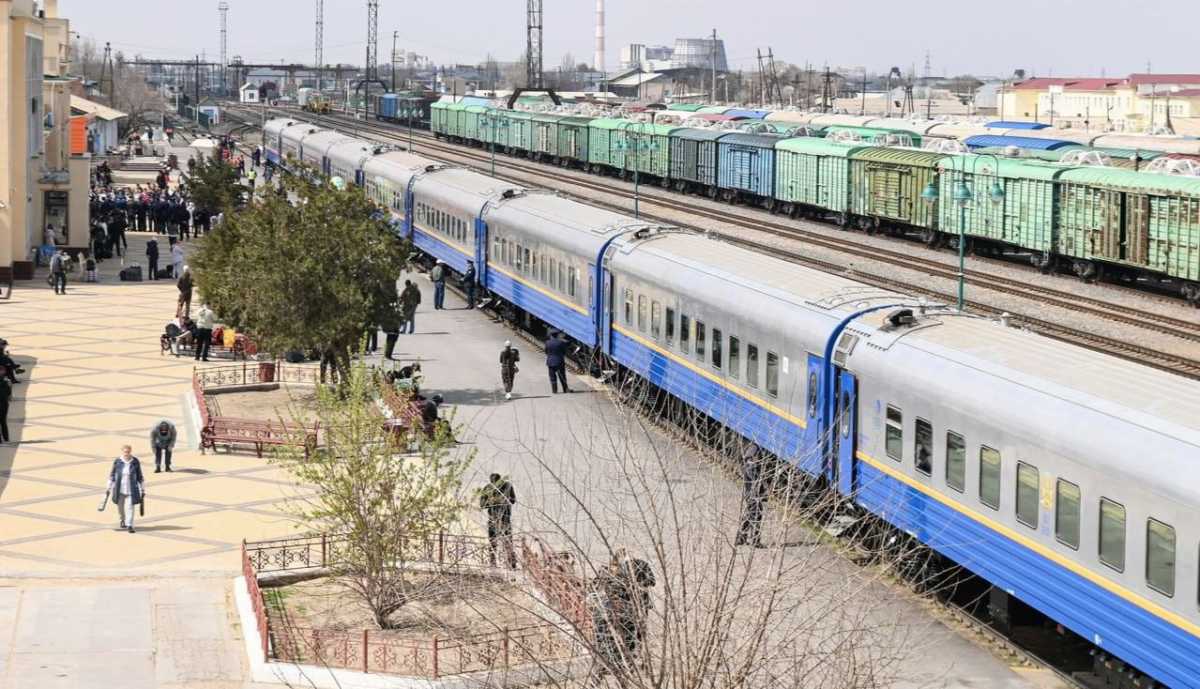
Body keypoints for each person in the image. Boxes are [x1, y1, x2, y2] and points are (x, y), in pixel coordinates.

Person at [735, 443, 770, 548]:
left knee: (750, 514)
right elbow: (755, 478)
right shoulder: (751, 464)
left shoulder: (750, 461)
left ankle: (741, 538)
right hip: (753, 494)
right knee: (756, 514)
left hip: (751, 493)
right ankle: (754, 541)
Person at [479, 473, 517, 568]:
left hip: (505, 519)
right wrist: (493, 501)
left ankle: (511, 563)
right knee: (493, 542)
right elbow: (482, 504)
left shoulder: (507, 486)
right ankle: (493, 563)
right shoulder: (488, 488)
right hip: (493, 519)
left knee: (507, 541)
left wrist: (504, 499)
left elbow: (513, 500)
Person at [106, 445, 145, 533]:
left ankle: (130, 525)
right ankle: (122, 520)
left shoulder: (135, 461)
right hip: (119, 489)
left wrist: (142, 488)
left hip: (131, 489)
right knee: (120, 508)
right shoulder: (118, 461)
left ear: (130, 451)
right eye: (125, 452)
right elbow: (112, 474)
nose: (126, 453)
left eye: (128, 452)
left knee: (130, 508)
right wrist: (108, 486)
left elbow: (139, 475)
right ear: (122, 452)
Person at [0, 370, 11, 443]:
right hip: (4, 404)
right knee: (3, 421)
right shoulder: (5, 383)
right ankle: (6, 438)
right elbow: (9, 393)